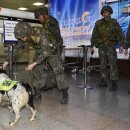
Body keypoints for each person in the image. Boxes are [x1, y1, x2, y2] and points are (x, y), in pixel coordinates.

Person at [3, 22, 68, 104]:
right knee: (35, 71)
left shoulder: (41, 33)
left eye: (23, 37)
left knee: (58, 71)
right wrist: (6, 62)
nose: (22, 40)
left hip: (52, 51)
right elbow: (16, 49)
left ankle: (65, 93)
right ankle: (37, 93)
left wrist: (33, 64)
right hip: (40, 51)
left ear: (28, 33)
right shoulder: (23, 36)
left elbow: (46, 52)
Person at [90, 5, 126, 91]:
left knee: (113, 64)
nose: (104, 13)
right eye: (103, 12)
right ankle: (103, 81)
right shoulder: (98, 23)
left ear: (110, 12)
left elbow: (120, 34)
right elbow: (94, 35)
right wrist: (92, 46)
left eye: (106, 12)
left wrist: (121, 45)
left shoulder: (114, 23)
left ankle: (114, 83)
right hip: (102, 47)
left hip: (111, 47)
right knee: (102, 65)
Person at [34, 8, 63, 91]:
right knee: (50, 66)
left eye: (39, 17)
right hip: (50, 47)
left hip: (55, 47)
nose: (39, 19)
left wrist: (55, 46)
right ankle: (51, 84)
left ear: (44, 14)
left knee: (56, 66)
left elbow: (55, 36)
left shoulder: (51, 21)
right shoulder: (46, 22)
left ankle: (60, 85)